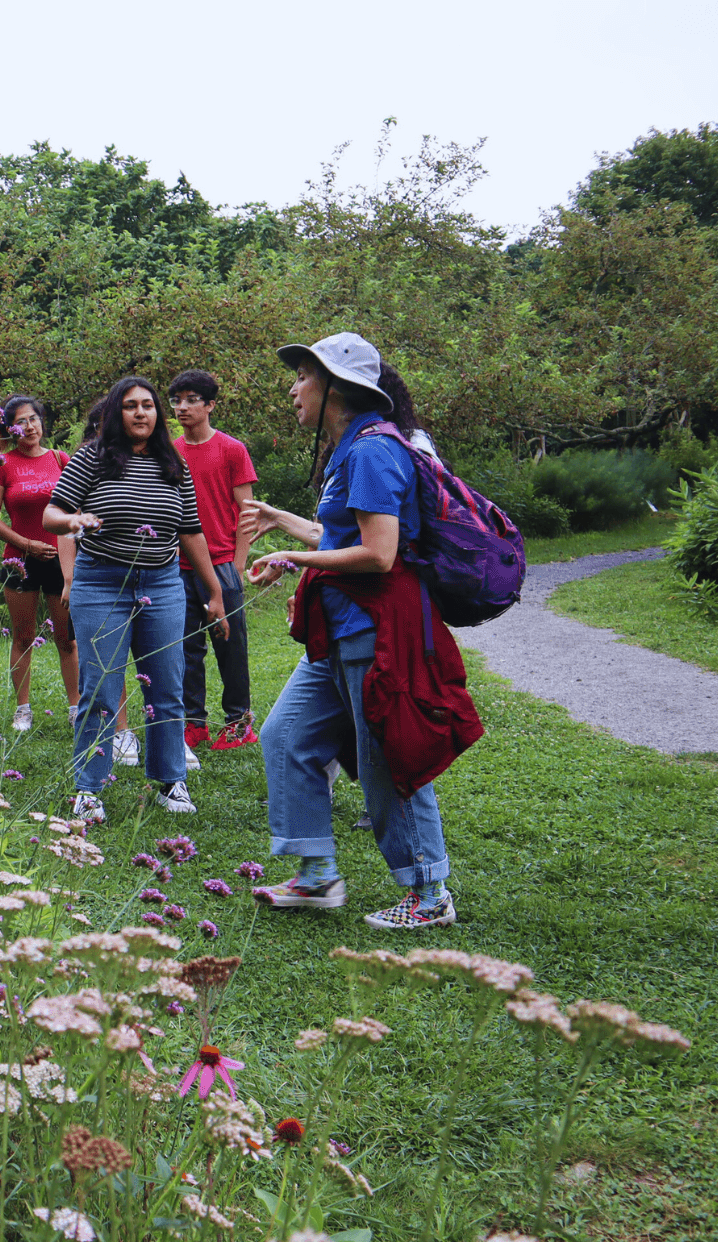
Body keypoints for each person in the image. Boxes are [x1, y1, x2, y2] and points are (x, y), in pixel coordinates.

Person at [244, 332, 472, 929]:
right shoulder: (352, 448)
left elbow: (379, 554)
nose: (293, 389)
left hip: (376, 628)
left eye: (302, 378)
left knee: (387, 760)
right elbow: (338, 538)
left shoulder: (373, 450)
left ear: (335, 388)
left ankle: (429, 894)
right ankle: (316, 877)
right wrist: (284, 527)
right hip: (340, 628)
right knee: (287, 735)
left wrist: (297, 563)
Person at [43, 376, 227, 822]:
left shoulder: (173, 464)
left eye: (148, 405)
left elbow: (190, 530)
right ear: (116, 414)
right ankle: (89, 789)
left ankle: (169, 781)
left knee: (166, 685)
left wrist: (215, 589)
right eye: (130, 406)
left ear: (157, 415)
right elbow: (51, 514)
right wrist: (75, 520)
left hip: (162, 583)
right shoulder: (93, 459)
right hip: (102, 581)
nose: (141, 413)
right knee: (101, 688)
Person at [169, 369, 260, 752]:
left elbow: (248, 511)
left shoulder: (232, 449)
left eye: (191, 400)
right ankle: (195, 725)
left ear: (210, 405)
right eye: (177, 400)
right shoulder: (171, 450)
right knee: (186, 649)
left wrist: (238, 566)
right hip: (179, 566)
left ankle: (239, 722)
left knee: (230, 645)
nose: (182, 407)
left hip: (223, 562)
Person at [0, 395, 77, 735]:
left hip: (60, 558)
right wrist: (26, 545)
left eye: (34, 419)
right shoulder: (1, 463)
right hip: (19, 559)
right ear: (9, 428)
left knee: (67, 638)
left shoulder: (59, 459)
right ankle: (23, 709)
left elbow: (73, 511)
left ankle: (76, 707)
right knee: (23, 636)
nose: (30, 426)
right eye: (21, 421)